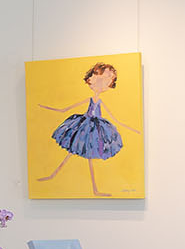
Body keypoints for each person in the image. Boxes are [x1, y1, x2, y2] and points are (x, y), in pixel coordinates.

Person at [37, 61, 126, 196]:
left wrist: (128, 127)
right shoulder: (90, 99)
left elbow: (114, 119)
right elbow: (64, 109)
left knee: (84, 154)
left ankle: (94, 189)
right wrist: (45, 107)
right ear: (91, 80)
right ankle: (53, 175)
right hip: (84, 126)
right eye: (100, 80)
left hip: (94, 129)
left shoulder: (100, 101)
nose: (102, 85)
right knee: (73, 151)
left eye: (106, 81)